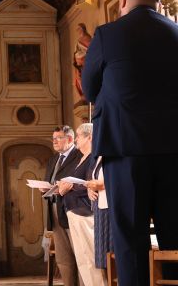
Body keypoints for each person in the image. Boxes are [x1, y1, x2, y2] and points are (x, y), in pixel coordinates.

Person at [82, 0, 178, 286]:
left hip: (125, 149)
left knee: (131, 238)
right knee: (174, 236)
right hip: (173, 150)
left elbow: (90, 89)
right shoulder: (176, 33)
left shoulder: (108, 35)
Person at [59, 123, 106, 286]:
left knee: (90, 257)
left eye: (79, 136)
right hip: (73, 210)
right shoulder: (81, 158)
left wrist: (72, 185)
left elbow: (90, 183)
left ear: (90, 137)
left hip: (85, 211)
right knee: (81, 259)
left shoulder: (94, 156)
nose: (76, 139)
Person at [41, 126, 83, 286]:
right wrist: (44, 189)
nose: (54, 141)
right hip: (54, 209)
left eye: (58, 138)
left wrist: (66, 187)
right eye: (53, 138)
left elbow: (80, 181)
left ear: (70, 139)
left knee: (79, 254)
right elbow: (50, 182)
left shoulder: (80, 155)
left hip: (73, 209)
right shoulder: (53, 159)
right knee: (63, 258)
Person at [86, 156, 113, 276]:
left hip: (111, 208)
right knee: (103, 254)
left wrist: (103, 185)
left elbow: (118, 177)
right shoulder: (97, 158)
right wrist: (89, 189)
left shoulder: (115, 155)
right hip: (99, 208)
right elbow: (92, 179)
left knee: (112, 251)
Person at [72, 23, 92, 101]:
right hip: (79, 63)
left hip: (85, 62)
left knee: (84, 77)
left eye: (79, 29)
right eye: (77, 30)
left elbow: (89, 50)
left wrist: (79, 54)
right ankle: (83, 92)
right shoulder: (78, 40)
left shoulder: (87, 38)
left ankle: (87, 92)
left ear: (83, 29)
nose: (78, 31)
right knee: (78, 79)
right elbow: (76, 51)